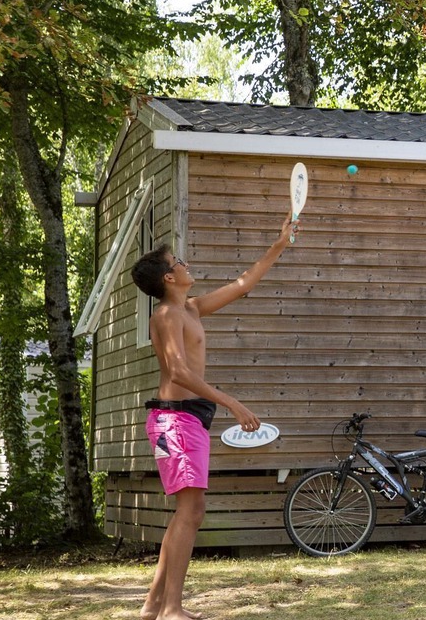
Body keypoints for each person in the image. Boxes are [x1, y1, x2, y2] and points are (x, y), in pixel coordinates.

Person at [130, 214, 296, 620]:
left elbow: (243, 285)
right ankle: (171, 608)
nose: (185, 264)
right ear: (169, 277)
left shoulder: (190, 309)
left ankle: (154, 606)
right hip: (174, 420)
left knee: (191, 511)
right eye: (178, 261)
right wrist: (232, 403)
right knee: (190, 511)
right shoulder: (166, 316)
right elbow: (178, 372)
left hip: (187, 420)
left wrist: (279, 243)